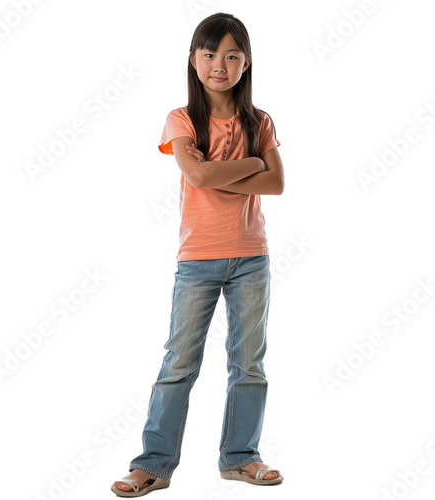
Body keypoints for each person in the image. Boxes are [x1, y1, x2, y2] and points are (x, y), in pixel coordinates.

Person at [111, 12, 284, 497]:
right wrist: (251, 163)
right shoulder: (182, 119)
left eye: (232, 55)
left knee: (249, 364)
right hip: (198, 259)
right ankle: (153, 464)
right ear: (194, 59)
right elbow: (200, 177)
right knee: (179, 364)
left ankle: (240, 458)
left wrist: (241, 164)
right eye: (210, 54)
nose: (219, 65)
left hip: (252, 256)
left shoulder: (260, 121)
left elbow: (278, 183)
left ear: (246, 63)